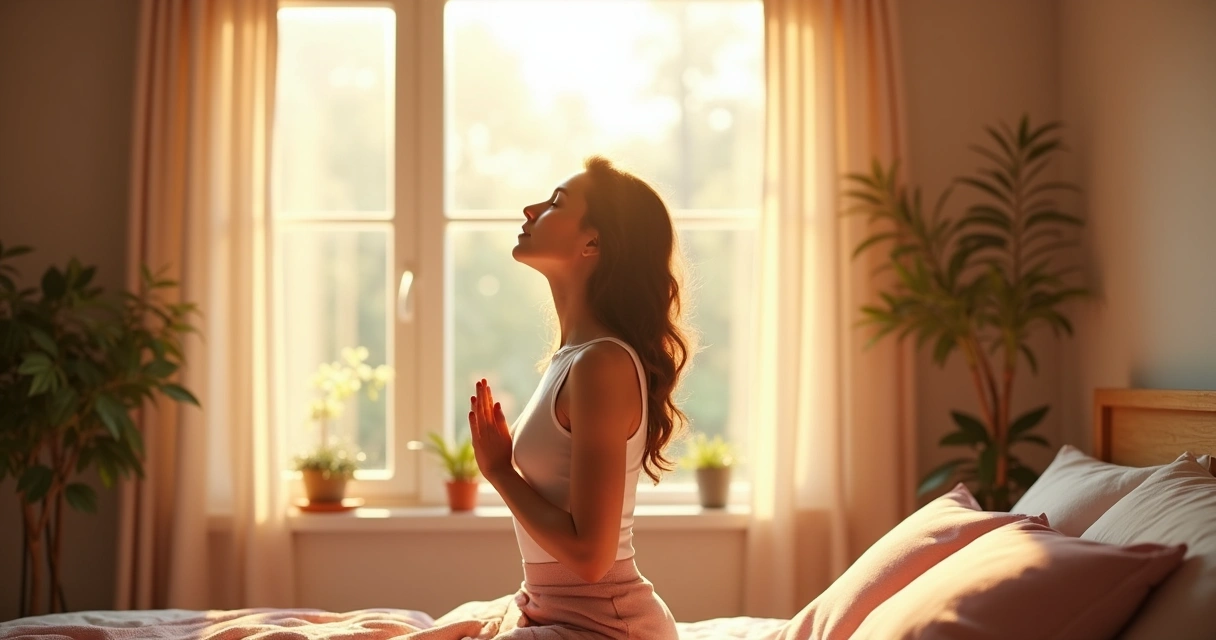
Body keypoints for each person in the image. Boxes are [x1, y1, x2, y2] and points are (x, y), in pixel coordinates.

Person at [466, 156, 692, 639]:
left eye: (555, 203)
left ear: (593, 241)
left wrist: (500, 471)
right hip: (557, 613)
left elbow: (591, 558)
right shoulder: (573, 359)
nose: (530, 210)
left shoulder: (602, 364)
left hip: (605, 627)